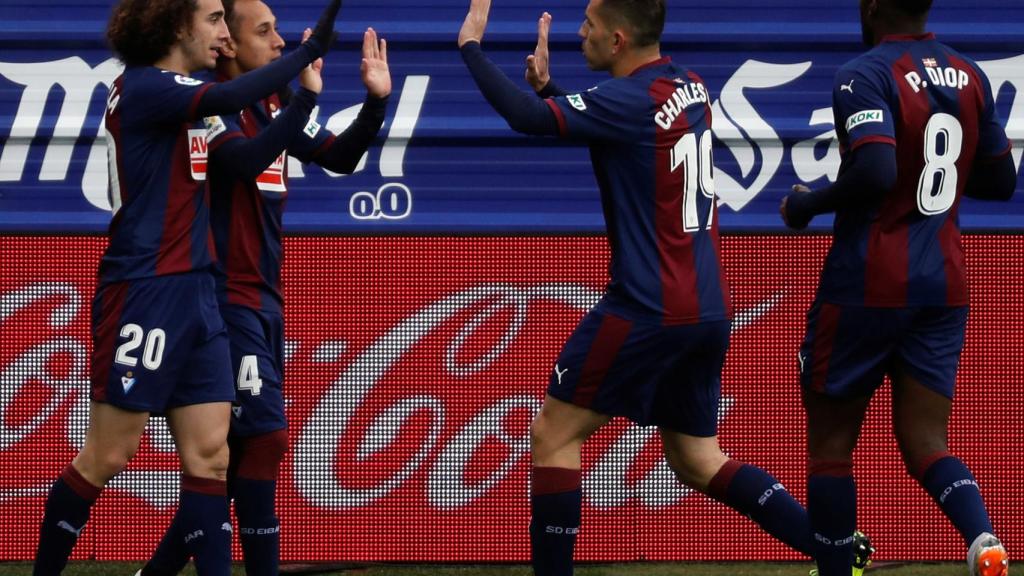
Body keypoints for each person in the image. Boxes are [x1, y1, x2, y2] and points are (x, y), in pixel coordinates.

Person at [457, 1, 862, 574]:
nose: (580, 33)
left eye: (590, 27)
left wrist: (470, 47)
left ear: (618, 40)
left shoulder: (626, 100)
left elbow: (526, 118)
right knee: (696, 459)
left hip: (646, 306)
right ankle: (836, 548)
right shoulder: (689, 85)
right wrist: (552, 89)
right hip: (705, 308)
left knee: (552, 435)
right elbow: (619, 127)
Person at [31, 0, 342, 575]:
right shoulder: (151, 85)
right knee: (110, 453)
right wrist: (308, 52)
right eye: (213, 20)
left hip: (200, 291)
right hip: (147, 287)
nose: (223, 34)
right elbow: (229, 98)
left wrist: (303, 95)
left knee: (211, 458)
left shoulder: (189, 96)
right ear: (175, 26)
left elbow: (247, 152)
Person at [136, 1, 390, 575]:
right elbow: (247, 160)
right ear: (227, 46)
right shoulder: (203, 108)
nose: (280, 43)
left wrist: (376, 102)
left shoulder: (270, 103)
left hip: (263, 298)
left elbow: (341, 156)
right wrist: (305, 96)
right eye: (265, 31)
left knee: (233, 461)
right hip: (223, 301)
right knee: (265, 443)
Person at [779, 0, 1016, 574]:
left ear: (872, 6)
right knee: (927, 442)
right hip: (943, 282)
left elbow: (877, 171)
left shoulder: (864, 74)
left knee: (832, 447)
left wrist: (809, 202)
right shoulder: (970, 74)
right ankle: (984, 541)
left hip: (867, 281)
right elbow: (1002, 180)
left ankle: (837, 569)